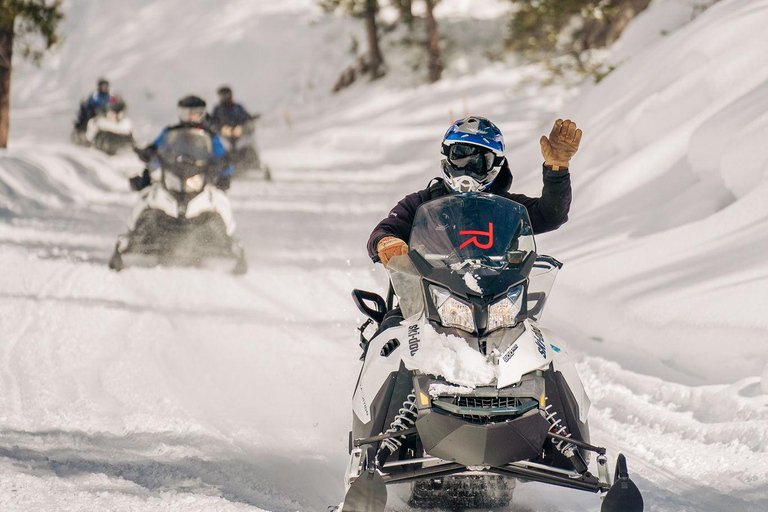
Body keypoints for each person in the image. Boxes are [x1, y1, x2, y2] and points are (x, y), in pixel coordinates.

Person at [368, 116, 582, 266]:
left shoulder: (508, 208)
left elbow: (552, 215)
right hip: (426, 298)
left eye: (480, 161)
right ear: (446, 156)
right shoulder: (420, 203)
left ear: (496, 165)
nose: (467, 169)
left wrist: (557, 168)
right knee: (393, 325)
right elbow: (386, 229)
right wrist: (385, 241)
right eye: (459, 156)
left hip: (497, 301)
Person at [131, 95, 233, 191]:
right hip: (173, 172)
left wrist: (223, 168)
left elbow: (221, 154)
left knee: (217, 195)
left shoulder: (209, 135)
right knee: (152, 177)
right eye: (187, 113)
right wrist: (148, 152)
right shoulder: (171, 131)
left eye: (195, 113)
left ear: (201, 114)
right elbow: (157, 145)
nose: (190, 116)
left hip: (200, 174)